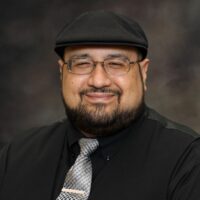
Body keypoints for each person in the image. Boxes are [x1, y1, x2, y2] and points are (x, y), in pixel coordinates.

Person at [0, 10, 200, 200]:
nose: (98, 80)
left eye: (116, 64)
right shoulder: (16, 155)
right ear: (62, 72)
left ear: (143, 72)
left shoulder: (187, 160)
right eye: (81, 64)